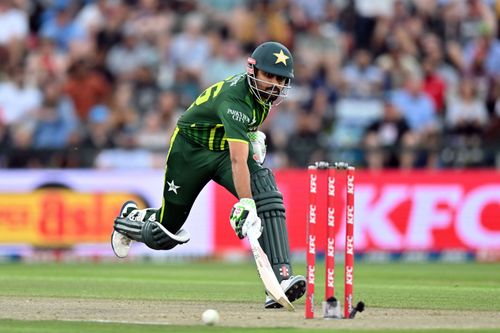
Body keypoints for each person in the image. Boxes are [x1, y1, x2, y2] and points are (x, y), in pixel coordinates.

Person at [111, 41, 306, 309]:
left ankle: (279, 280)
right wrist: (246, 204)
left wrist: (252, 137)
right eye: (269, 76)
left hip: (222, 149)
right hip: (190, 151)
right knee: (165, 234)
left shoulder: (263, 98)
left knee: (267, 190)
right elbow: (239, 159)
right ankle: (128, 220)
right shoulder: (236, 100)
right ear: (253, 71)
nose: (274, 85)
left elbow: (239, 141)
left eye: (280, 79)